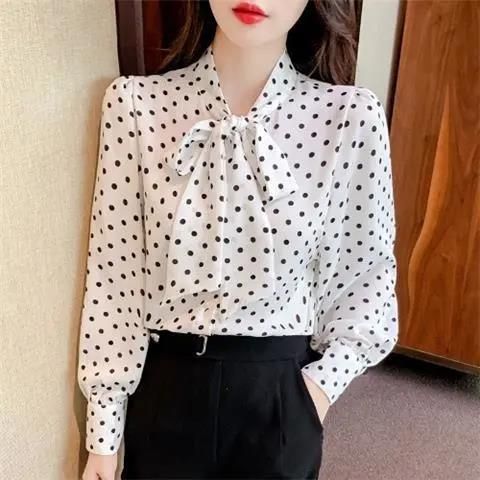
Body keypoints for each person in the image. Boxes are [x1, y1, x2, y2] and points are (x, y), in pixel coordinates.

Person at [78, 1, 399, 479]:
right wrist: (103, 436)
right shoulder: (135, 106)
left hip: (279, 399)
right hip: (165, 393)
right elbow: (115, 278)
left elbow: (365, 279)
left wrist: (315, 392)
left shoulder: (348, 119)